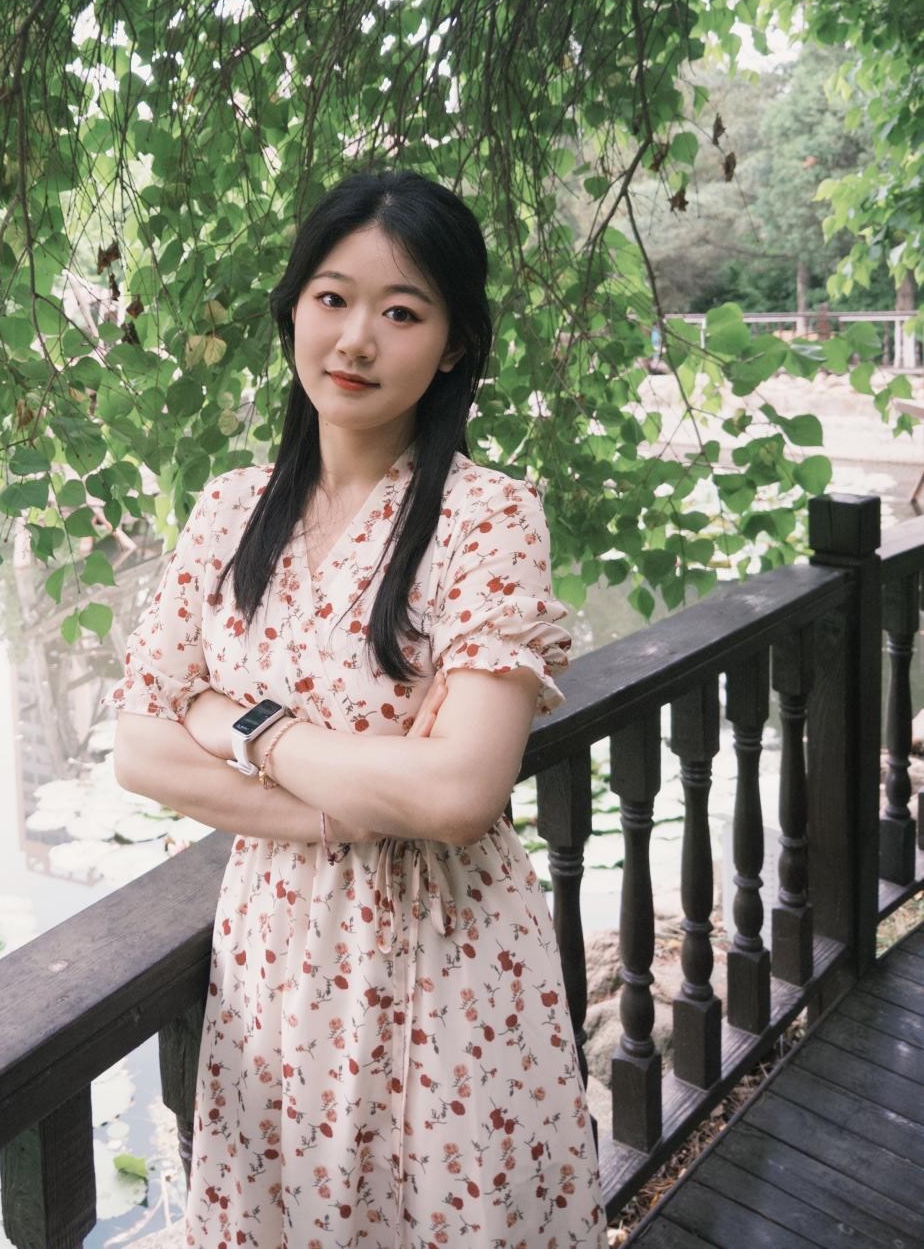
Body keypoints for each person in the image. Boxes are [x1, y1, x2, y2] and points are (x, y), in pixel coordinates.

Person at [108, 171, 606, 1248]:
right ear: (293, 307)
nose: (356, 339)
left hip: (448, 962)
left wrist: (242, 724)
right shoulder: (229, 509)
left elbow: (458, 791)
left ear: (454, 344)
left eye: (402, 311)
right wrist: (350, 801)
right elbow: (139, 749)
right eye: (331, 298)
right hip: (271, 963)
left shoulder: (487, 517)